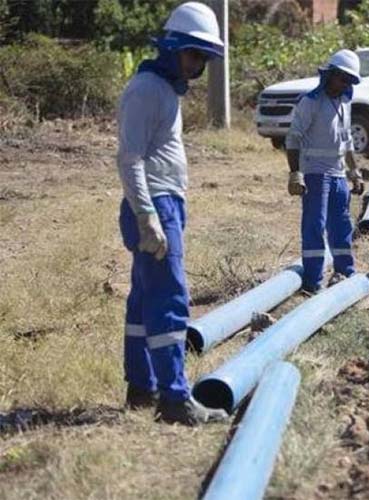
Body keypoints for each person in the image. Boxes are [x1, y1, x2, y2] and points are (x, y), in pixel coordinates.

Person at [117, 2, 228, 425]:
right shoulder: (147, 89)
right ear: (173, 47)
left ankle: (142, 387)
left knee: (145, 299)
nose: (198, 65)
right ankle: (175, 398)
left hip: (164, 202)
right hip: (154, 204)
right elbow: (130, 158)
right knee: (170, 298)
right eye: (194, 55)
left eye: (203, 58)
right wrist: (147, 215)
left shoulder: (164, 88)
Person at [285, 49, 365, 293]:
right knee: (315, 227)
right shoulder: (311, 102)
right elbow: (293, 139)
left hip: (338, 174)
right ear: (329, 75)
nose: (344, 84)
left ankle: (344, 271)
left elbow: (347, 141)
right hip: (315, 175)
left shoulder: (344, 103)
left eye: (349, 81)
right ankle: (312, 281)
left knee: (341, 225)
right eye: (342, 78)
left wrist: (355, 171)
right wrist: (295, 173)